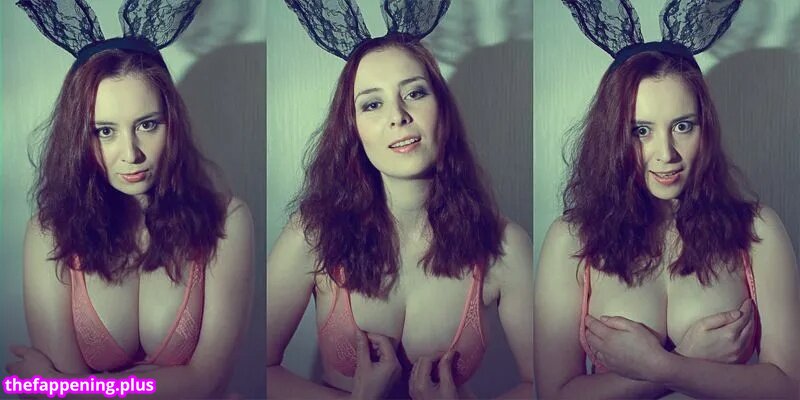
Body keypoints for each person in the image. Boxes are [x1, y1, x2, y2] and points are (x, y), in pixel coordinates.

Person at [6, 1, 254, 398]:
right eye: (105, 131)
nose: (131, 154)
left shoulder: (228, 221)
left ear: (172, 124)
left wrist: (65, 386)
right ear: (79, 137)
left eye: (147, 125)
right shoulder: (49, 232)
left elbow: (208, 383)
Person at [266, 33, 534, 399]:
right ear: (352, 128)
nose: (398, 116)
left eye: (415, 93)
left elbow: (543, 385)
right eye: (373, 104)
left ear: (443, 110)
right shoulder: (312, 235)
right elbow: (261, 370)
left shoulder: (505, 245)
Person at [533, 46, 799, 400]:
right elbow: (554, 395)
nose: (666, 154)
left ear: (706, 129)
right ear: (613, 135)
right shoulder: (571, 240)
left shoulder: (757, 230)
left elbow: (790, 387)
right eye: (641, 131)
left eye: (683, 126)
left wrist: (663, 366)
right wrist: (684, 360)